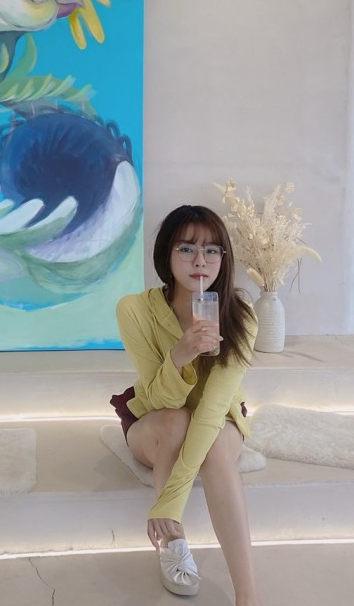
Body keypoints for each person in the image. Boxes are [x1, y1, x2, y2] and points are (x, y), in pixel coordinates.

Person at [111, 205, 262, 606]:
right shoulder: (134, 309)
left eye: (212, 250)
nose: (200, 260)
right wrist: (179, 356)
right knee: (176, 421)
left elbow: (211, 411)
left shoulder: (240, 315)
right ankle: (173, 545)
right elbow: (158, 398)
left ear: (223, 258)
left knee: (213, 440)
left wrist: (170, 502)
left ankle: (248, 595)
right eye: (186, 248)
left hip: (218, 419)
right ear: (167, 253)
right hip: (157, 421)